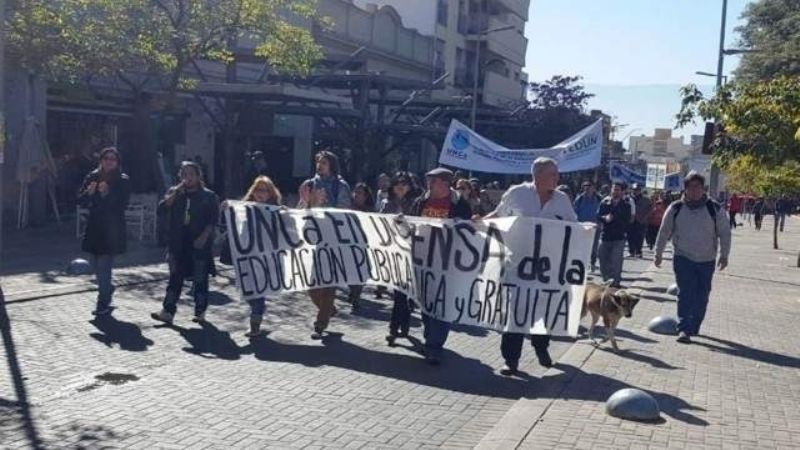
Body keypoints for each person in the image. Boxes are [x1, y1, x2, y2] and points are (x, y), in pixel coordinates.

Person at [480, 157, 577, 376]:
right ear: (538, 175)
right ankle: (510, 361)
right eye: (553, 174)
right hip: (518, 264)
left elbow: (574, 225)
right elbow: (498, 215)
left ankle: (541, 347)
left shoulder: (562, 199)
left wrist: (587, 231)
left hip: (548, 267)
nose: (557, 177)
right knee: (515, 313)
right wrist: (478, 222)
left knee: (543, 311)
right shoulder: (517, 193)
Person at [655, 172, 731, 343]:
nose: (695, 190)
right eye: (691, 187)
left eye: (698, 187)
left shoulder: (715, 208)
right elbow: (664, 232)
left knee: (702, 294)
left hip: (706, 259)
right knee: (685, 292)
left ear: (703, 189)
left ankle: (695, 324)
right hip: (683, 257)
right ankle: (684, 328)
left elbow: (725, 233)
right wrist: (658, 254)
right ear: (686, 189)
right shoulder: (676, 208)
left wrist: (724, 255)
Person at [408, 167, 472, 364]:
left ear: (445, 183)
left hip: (447, 264)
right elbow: (411, 224)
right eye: (429, 180)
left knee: (442, 305)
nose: (429, 184)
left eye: (433, 181)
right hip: (423, 261)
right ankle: (430, 335)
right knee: (427, 304)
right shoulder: (421, 201)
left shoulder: (459, 204)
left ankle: (435, 346)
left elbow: (467, 232)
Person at [152, 162, 220, 324]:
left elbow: (213, 220)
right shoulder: (175, 193)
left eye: (191, 174)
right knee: (175, 278)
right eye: (184, 174)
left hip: (198, 244)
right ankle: (167, 311)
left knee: (200, 279)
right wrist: (172, 196)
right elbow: (161, 211)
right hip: (178, 243)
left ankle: (200, 311)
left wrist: (204, 236)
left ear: (198, 176)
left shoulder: (208, 196)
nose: (187, 178)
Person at [297, 150, 352, 339]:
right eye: (318, 161)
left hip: (333, 238)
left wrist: (325, 207)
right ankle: (329, 309)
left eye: (324, 162)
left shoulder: (341, 186)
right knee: (311, 284)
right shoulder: (309, 184)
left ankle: (320, 324)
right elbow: (300, 209)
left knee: (329, 282)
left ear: (332, 165)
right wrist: (311, 203)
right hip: (313, 238)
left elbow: (345, 211)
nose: (320, 165)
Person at [226, 176, 282, 338]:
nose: (260, 193)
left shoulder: (275, 210)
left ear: (270, 193)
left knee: (259, 291)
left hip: (265, 257)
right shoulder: (245, 208)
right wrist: (227, 207)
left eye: (264, 190)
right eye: (257, 189)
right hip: (247, 255)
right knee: (248, 289)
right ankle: (258, 310)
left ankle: (255, 323)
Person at [77, 147, 131, 316]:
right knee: (94, 264)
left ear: (117, 162)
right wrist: (88, 193)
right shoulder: (93, 176)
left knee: (104, 267)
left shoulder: (122, 179)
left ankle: (103, 303)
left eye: (113, 159)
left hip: (112, 229)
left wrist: (108, 194)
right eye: (106, 158)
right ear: (101, 160)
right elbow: (80, 200)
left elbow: (123, 204)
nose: (109, 161)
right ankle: (107, 288)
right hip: (95, 226)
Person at [380, 172, 417, 345]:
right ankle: (395, 327)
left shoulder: (416, 203)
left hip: (412, 252)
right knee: (399, 293)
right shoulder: (386, 204)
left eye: (404, 183)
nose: (400, 186)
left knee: (406, 293)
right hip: (394, 253)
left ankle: (400, 326)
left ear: (410, 186)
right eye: (397, 183)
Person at [597, 181, 632, 288]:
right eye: (613, 189)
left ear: (622, 192)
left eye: (617, 189)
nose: (614, 191)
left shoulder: (626, 205)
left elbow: (627, 220)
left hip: (619, 237)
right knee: (603, 260)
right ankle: (606, 280)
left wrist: (615, 219)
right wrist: (605, 218)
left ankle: (615, 283)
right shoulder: (604, 202)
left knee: (616, 260)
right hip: (605, 236)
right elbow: (598, 215)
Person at [348, 182, 374, 310]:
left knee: (361, 272)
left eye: (360, 193)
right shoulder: (348, 207)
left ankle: (356, 296)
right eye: (355, 192)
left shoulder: (371, 210)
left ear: (366, 196)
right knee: (350, 271)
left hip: (365, 245)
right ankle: (353, 291)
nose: (357, 195)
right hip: (349, 244)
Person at [573, 181, 602, 271]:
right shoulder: (579, 199)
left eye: (589, 186)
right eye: (585, 187)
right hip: (583, 226)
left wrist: (601, 223)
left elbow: (602, 212)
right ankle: (583, 264)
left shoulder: (599, 198)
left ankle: (592, 263)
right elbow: (574, 211)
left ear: (593, 188)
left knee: (594, 246)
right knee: (582, 246)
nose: (587, 188)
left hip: (595, 226)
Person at [628, 184, 652, 257]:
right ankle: (631, 251)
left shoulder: (646, 200)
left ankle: (638, 251)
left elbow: (650, 209)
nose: (635, 192)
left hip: (641, 221)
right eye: (634, 190)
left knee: (640, 237)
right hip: (631, 220)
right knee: (630, 236)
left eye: (637, 190)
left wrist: (645, 217)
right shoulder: (628, 199)